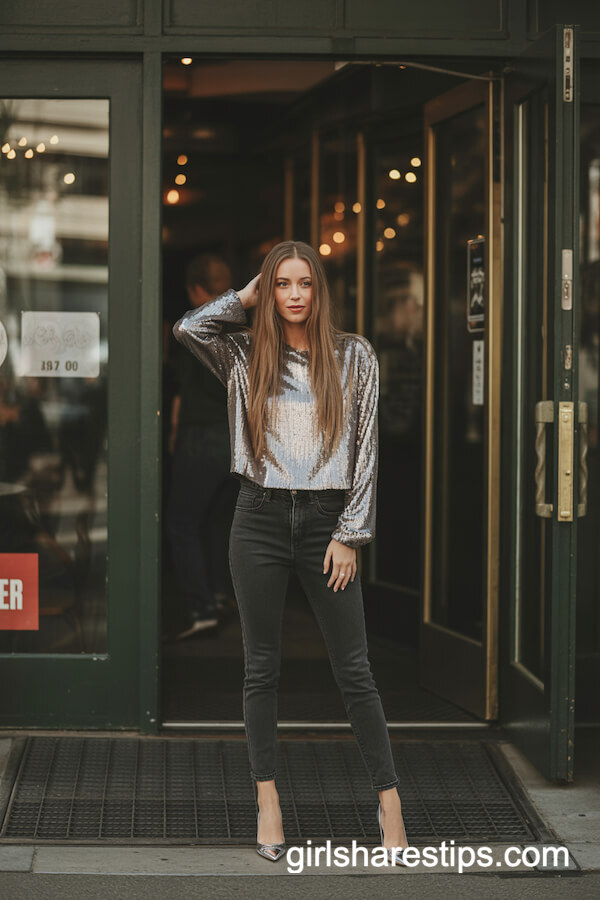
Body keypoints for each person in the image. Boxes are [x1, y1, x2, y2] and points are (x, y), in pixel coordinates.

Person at [172, 240, 409, 864]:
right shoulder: (244, 353)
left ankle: (390, 802)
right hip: (258, 518)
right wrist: (244, 296)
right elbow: (187, 326)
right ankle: (268, 800)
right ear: (269, 291)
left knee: (353, 669)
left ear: (319, 289)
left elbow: (366, 452)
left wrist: (350, 534)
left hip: (329, 524)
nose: (295, 294)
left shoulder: (354, 356)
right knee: (262, 667)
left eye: (304, 282)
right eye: (282, 284)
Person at [166, 253, 237, 638]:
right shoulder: (241, 325)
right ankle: (221, 597)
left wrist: (174, 433)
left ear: (195, 289)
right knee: (216, 522)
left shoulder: (192, 327)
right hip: (235, 438)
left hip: (201, 436)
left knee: (181, 524)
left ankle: (200, 607)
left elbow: (181, 389)